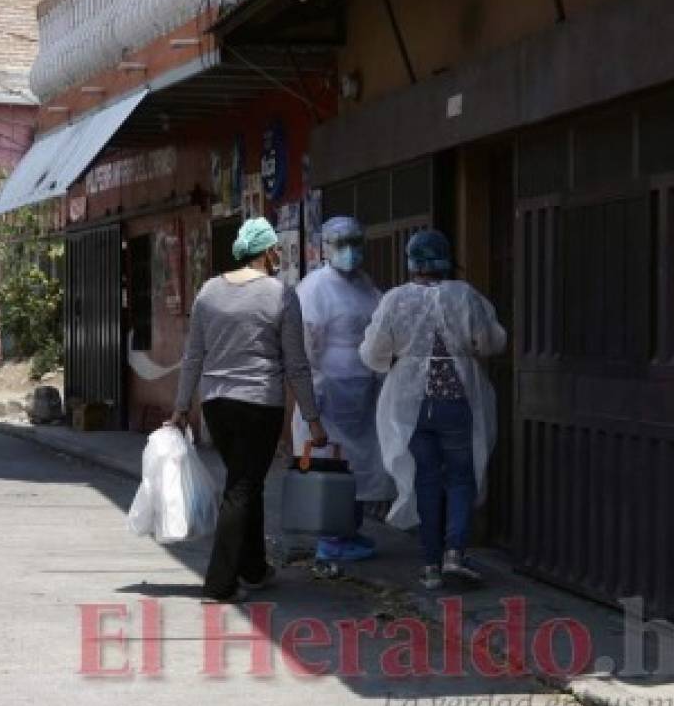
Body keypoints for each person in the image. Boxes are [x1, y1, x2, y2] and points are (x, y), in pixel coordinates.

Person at [172, 217, 327, 603]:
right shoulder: (280, 294)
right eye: (276, 249)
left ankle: (254, 568)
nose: (278, 256)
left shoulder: (208, 291)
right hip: (259, 403)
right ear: (268, 251)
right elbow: (296, 363)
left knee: (246, 479)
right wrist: (312, 418)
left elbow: (193, 356)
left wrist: (180, 407)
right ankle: (220, 584)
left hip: (216, 405)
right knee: (242, 486)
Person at [359, 229, 506, 591]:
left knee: (425, 477)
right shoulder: (465, 296)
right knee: (460, 476)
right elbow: (491, 342)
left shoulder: (395, 300)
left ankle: (429, 564)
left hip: (411, 404)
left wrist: (402, 355)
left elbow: (373, 353)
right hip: (457, 400)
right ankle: (455, 552)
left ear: (411, 263)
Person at [292, 217, 394, 575]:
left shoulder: (365, 285)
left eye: (355, 242)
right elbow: (304, 343)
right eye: (341, 243)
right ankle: (331, 537)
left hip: (363, 389)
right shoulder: (315, 288)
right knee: (330, 463)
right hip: (329, 390)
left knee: (357, 465)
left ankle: (349, 531)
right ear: (325, 247)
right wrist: (312, 390)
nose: (350, 251)